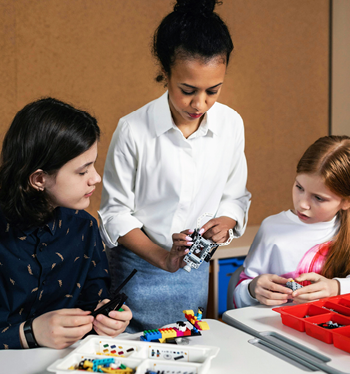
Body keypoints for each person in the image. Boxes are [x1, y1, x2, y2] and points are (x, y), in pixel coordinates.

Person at [99, 0, 251, 332]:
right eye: (187, 90)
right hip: (136, 272)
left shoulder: (231, 125)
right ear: (165, 73)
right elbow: (114, 213)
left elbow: (234, 196)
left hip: (192, 273)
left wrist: (225, 222)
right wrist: (162, 257)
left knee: (185, 349)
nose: (200, 104)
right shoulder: (133, 129)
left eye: (213, 90)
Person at [0, 98, 132, 350]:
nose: (96, 178)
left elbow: (95, 299)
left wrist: (108, 318)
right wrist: (28, 333)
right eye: (82, 171)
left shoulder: (85, 227)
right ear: (39, 179)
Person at [234, 135, 350, 308]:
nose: (302, 204)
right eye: (299, 187)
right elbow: (239, 295)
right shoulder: (272, 228)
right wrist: (252, 289)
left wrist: (337, 287)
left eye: (318, 198)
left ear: (346, 201)